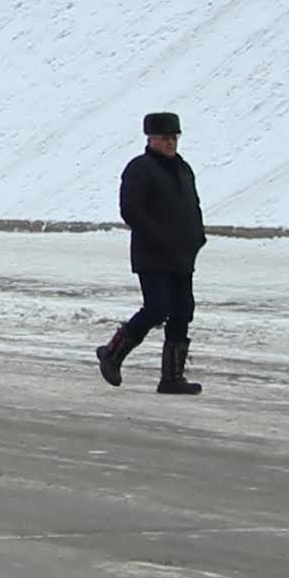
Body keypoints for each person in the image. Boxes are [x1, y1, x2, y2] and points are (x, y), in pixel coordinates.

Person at [97, 109, 205, 394]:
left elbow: (193, 206)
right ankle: (112, 353)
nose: (171, 143)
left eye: (174, 138)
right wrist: (157, 237)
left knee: (183, 311)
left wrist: (198, 237)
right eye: (165, 138)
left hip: (181, 254)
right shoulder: (140, 168)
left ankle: (172, 378)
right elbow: (131, 209)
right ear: (150, 139)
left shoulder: (183, 169)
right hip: (152, 254)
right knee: (157, 308)